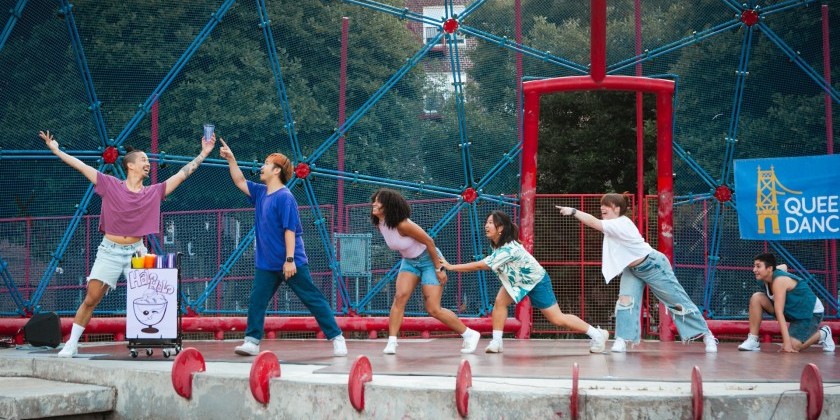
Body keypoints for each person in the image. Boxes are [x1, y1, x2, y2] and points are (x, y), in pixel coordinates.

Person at [39, 130, 215, 358]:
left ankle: (165, 340)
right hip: (109, 251)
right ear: (130, 165)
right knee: (92, 298)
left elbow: (182, 174)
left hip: (137, 252)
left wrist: (203, 154)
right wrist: (56, 149)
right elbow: (81, 166)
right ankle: (71, 343)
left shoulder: (153, 192)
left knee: (155, 296)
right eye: (143, 160)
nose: (148, 164)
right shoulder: (110, 184)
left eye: (148, 161)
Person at [219, 139, 347, 357]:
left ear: (276, 170)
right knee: (257, 300)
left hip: (290, 261)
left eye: (266, 164)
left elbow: (291, 230)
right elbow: (240, 181)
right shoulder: (261, 193)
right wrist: (231, 159)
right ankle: (251, 342)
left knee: (312, 298)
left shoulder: (285, 197)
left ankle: (337, 337)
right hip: (266, 263)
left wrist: (289, 261)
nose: (262, 167)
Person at [556, 193, 718, 353]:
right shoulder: (611, 226)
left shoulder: (622, 223)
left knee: (677, 301)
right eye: (601, 205)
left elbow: (595, 223)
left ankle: (706, 335)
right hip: (632, 269)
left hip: (653, 266)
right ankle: (622, 339)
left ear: (617, 209)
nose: (602, 208)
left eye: (607, 205)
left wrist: (574, 211)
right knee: (625, 301)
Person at [441, 210, 609, 354]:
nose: (486, 225)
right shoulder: (497, 245)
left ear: (500, 229)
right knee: (499, 303)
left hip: (536, 281)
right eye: (487, 222)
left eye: (491, 223)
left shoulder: (508, 249)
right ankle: (497, 342)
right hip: (517, 282)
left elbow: (481, 265)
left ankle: (597, 334)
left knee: (557, 318)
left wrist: (451, 267)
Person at [370, 189, 480, 354]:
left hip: (429, 260)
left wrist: (439, 268)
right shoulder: (380, 223)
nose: (374, 204)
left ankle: (469, 334)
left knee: (433, 308)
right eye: (375, 200)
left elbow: (429, 241)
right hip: (409, 261)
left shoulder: (403, 224)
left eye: (379, 201)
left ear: (389, 206)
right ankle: (392, 342)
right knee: (399, 297)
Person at [738, 253, 835, 353]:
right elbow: (784, 266)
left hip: (810, 312)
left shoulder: (779, 281)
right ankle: (753, 340)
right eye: (754, 266)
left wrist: (787, 343)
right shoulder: (764, 277)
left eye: (758, 266)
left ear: (769, 268)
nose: (754, 270)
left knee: (794, 346)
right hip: (791, 310)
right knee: (756, 297)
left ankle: (824, 333)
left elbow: (779, 312)